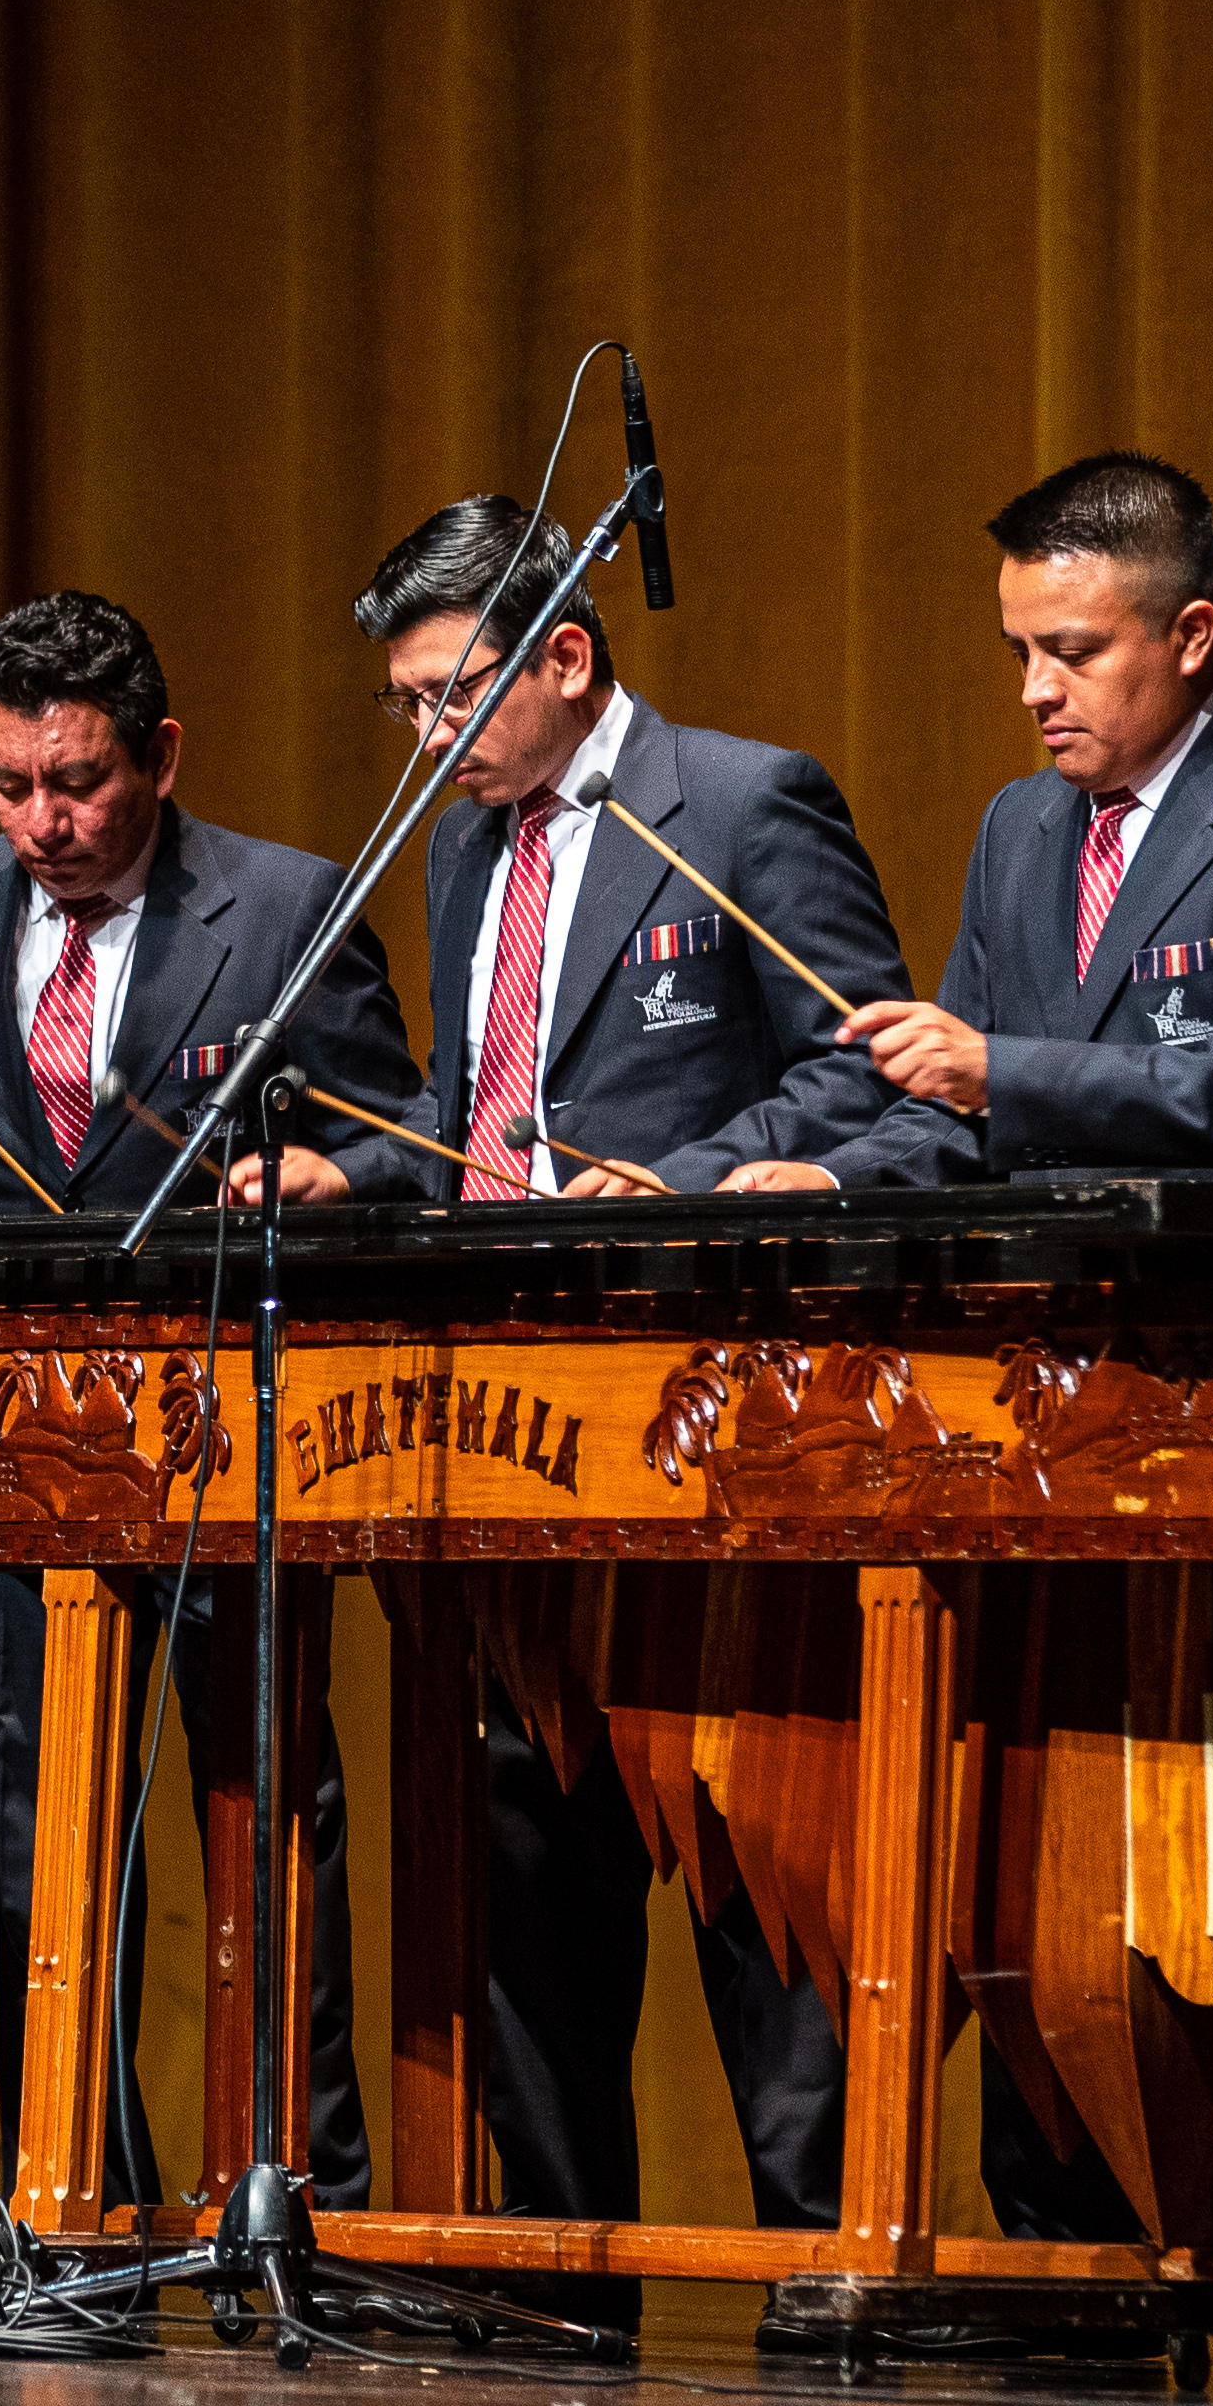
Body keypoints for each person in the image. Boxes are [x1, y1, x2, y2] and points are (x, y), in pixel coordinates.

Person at [0, 588, 433, 2205]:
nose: (43, 823)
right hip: (11, 1438)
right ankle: (69, 2189)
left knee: (263, 1811)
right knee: (38, 1822)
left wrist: (329, 1167)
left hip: (227, 1431)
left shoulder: (287, 902)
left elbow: (410, 1135)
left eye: (75, 781)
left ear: (156, 753)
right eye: (9, 784)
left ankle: (303, 2193)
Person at [360, 493, 911, 2251]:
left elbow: (868, 1078)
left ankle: (812, 2259)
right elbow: (471, 1123)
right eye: (410, 706)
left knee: (748, 1851)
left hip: (707, 1411)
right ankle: (555, 2259)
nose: (430, 737)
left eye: (455, 695)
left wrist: (675, 1179)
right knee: (528, 1847)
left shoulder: (743, 802)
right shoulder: (461, 854)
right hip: (505, 1419)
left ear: (567, 657)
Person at [826, 451, 1213, 1185]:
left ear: (1192, 635)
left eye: (1074, 653)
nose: (1036, 691)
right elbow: (956, 1109)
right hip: (1035, 1283)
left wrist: (998, 1071)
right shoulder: (1016, 821)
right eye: (1022, 654)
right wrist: (828, 1182)